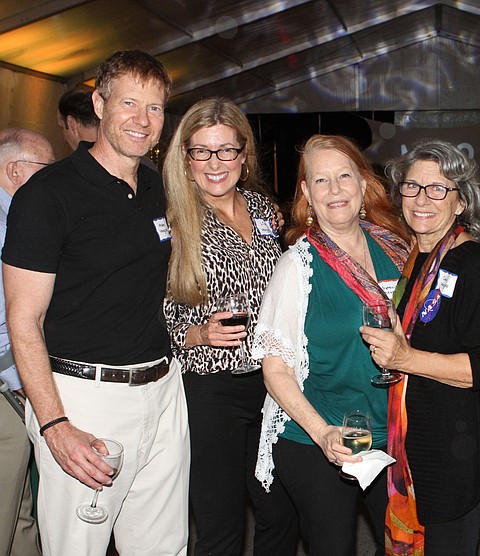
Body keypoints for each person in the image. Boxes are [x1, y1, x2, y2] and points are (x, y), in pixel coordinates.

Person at [3, 50, 190, 555]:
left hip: (163, 390)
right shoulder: (47, 195)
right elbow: (23, 320)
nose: (143, 120)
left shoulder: (157, 187)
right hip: (85, 398)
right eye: (129, 102)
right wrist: (55, 425)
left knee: (164, 548)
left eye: (155, 108)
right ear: (99, 103)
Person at [251, 134, 411, 555]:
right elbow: (276, 370)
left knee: (403, 546)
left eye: (344, 176)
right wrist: (322, 434)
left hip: (390, 432)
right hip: (316, 435)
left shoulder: (398, 248)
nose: (335, 190)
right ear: (306, 193)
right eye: (321, 181)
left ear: (363, 184)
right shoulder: (297, 266)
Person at [361, 140, 480, 554]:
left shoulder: (472, 264)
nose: (422, 199)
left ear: (461, 201)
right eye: (412, 187)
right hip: (412, 450)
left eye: (438, 189)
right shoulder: (416, 259)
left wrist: (405, 358)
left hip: (451, 457)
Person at [161, 97, 297, 556]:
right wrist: (195, 333)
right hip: (210, 387)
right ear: (186, 158)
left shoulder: (263, 209)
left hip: (273, 381)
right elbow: (142, 312)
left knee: (279, 512)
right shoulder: (168, 221)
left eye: (226, 151)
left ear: (244, 155)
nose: (214, 163)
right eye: (201, 151)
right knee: (221, 524)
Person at [0, 128, 54, 556]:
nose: (53, 180)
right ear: (14, 171)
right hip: (7, 386)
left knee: (19, 509)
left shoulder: (17, 218)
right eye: (45, 169)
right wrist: (22, 378)